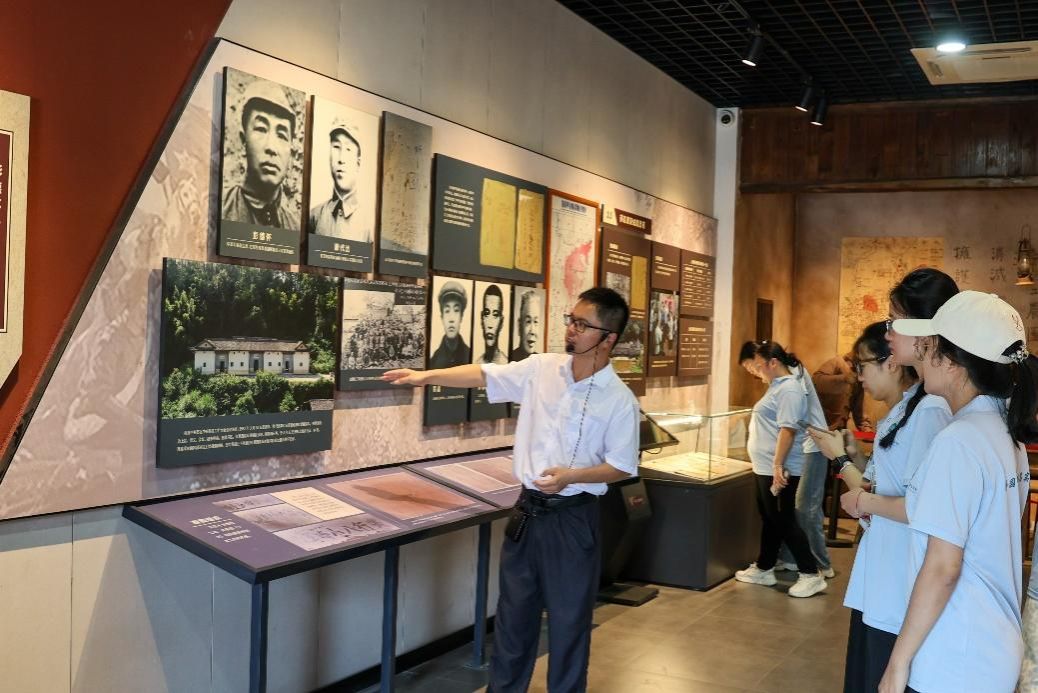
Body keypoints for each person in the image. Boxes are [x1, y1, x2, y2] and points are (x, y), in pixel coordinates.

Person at [382, 287, 639, 693]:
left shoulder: (619, 400)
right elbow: (484, 374)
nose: (571, 330)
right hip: (527, 512)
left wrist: (572, 476)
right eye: (571, 320)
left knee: (569, 622)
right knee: (513, 617)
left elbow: (622, 466)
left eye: (582, 324)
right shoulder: (542, 369)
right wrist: (425, 376)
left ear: (608, 338)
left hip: (573, 519)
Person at [841, 291, 1038, 693]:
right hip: (991, 644)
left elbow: (943, 568)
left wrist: (898, 663)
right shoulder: (1005, 432)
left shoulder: (959, 440)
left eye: (930, 347)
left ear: (952, 361)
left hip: (954, 651)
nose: (921, 356)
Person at [809, 321, 952, 693]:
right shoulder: (907, 409)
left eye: (863, 365)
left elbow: (917, 505)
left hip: (900, 571)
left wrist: (843, 463)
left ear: (892, 361)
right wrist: (851, 457)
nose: (859, 376)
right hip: (884, 567)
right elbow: (883, 486)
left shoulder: (929, 410)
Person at [735, 340, 828, 598]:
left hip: (779, 467)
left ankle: (811, 574)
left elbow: (788, 430)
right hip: (765, 466)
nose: (756, 373)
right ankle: (764, 567)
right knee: (771, 518)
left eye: (758, 367)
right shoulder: (777, 386)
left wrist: (778, 465)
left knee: (784, 519)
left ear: (773, 362)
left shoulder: (789, 389)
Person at [222, 79, 297, 229]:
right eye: (261, 129)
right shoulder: (221, 210)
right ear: (243, 140)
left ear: (291, 150)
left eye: (282, 135)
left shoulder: (295, 228)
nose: (271, 147)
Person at [308, 117, 370, 242]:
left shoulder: (369, 221)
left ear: (358, 163)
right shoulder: (315, 216)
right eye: (336, 147)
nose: (341, 159)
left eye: (348, 149)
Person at [812, 353, 873, 432]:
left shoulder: (858, 378)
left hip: (839, 431)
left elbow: (859, 411)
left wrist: (865, 426)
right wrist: (843, 378)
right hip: (819, 427)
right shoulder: (837, 362)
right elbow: (816, 381)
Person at [428, 281, 470, 369]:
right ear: (442, 317)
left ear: (461, 316)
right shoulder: (433, 361)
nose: (451, 319)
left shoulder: (470, 356)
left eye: (456, 310)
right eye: (447, 311)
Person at [477, 284, 508, 365]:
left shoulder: (506, 364)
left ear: (501, 322)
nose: (490, 325)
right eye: (486, 314)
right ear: (481, 319)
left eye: (495, 315)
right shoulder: (476, 364)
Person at [509, 289, 543, 361]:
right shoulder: (510, 360)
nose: (532, 331)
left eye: (536, 322)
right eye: (528, 321)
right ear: (519, 326)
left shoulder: (540, 361)